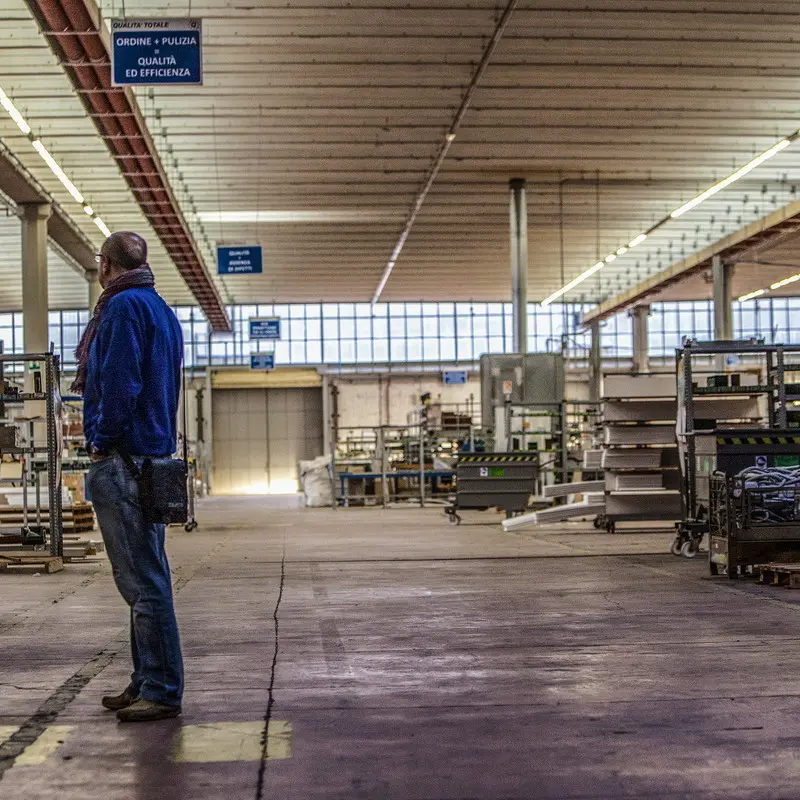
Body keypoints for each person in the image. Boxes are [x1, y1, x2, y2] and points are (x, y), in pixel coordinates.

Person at [77, 231, 185, 723]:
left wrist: (101, 437)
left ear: (105, 265)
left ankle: (160, 688)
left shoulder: (120, 309)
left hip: (125, 457)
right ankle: (146, 680)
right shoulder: (161, 308)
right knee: (147, 576)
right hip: (154, 458)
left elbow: (119, 381)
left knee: (143, 583)